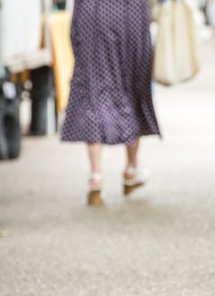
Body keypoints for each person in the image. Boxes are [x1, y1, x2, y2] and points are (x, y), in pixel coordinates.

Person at [60, 0, 160, 206]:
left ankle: (96, 177)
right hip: (131, 11)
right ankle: (131, 170)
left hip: (91, 12)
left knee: (93, 87)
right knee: (133, 83)